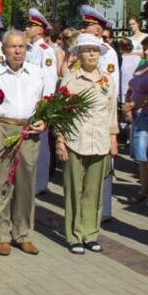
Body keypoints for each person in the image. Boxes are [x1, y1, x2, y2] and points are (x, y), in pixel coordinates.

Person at [0, 30, 47, 256]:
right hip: (3, 127)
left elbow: (45, 103)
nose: (18, 51)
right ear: (4, 50)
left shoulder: (37, 73)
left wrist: (44, 121)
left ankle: (23, 234)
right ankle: (2, 235)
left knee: (26, 185)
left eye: (22, 47)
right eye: (13, 47)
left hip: (28, 131)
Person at [57, 33, 119, 254]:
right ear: (79, 55)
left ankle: (90, 233)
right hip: (76, 141)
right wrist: (61, 141)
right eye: (87, 50)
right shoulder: (70, 80)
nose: (92, 54)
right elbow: (61, 113)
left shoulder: (107, 80)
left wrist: (113, 139)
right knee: (74, 190)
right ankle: (74, 235)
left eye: (95, 50)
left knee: (94, 191)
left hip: (100, 142)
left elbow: (112, 112)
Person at [77, 5, 119, 219]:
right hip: (84, 117)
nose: (83, 28)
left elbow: (111, 89)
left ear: (100, 30)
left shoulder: (107, 52)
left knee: (102, 168)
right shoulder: (82, 48)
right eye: (83, 25)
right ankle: (86, 208)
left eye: (88, 26)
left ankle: (104, 210)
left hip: (101, 116)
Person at [122, 35, 148, 207]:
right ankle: (143, 190)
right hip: (138, 115)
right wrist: (128, 105)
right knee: (141, 155)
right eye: (145, 49)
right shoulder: (142, 67)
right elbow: (131, 87)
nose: (146, 52)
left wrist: (132, 104)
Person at [24, 7, 58, 194]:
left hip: (39, 104)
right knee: (30, 143)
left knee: (41, 145)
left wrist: (44, 107)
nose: (27, 28)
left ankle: (40, 183)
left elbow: (49, 81)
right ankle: (30, 180)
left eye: (31, 26)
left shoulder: (45, 51)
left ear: (40, 30)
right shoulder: (31, 50)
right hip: (29, 101)